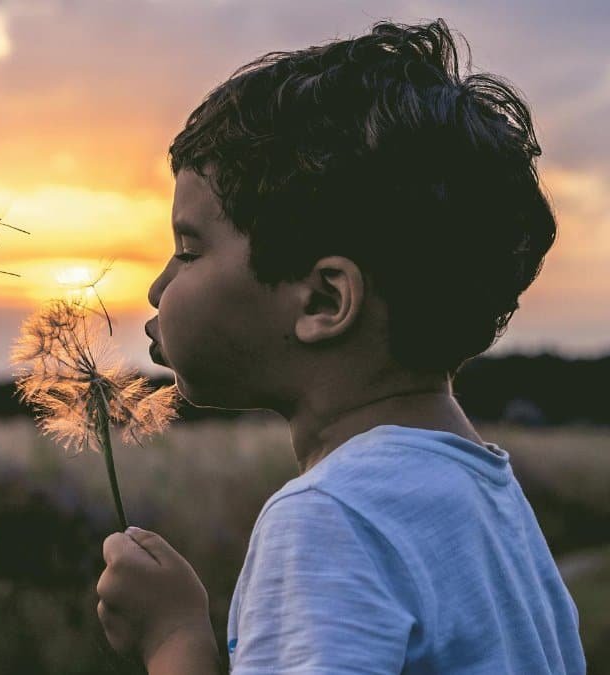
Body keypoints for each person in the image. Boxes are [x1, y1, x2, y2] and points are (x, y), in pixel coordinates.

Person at [95, 17, 586, 674]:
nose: (159, 286)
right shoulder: (490, 508)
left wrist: (173, 639)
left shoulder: (329, 521)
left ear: (324, 301)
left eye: (188, 248)